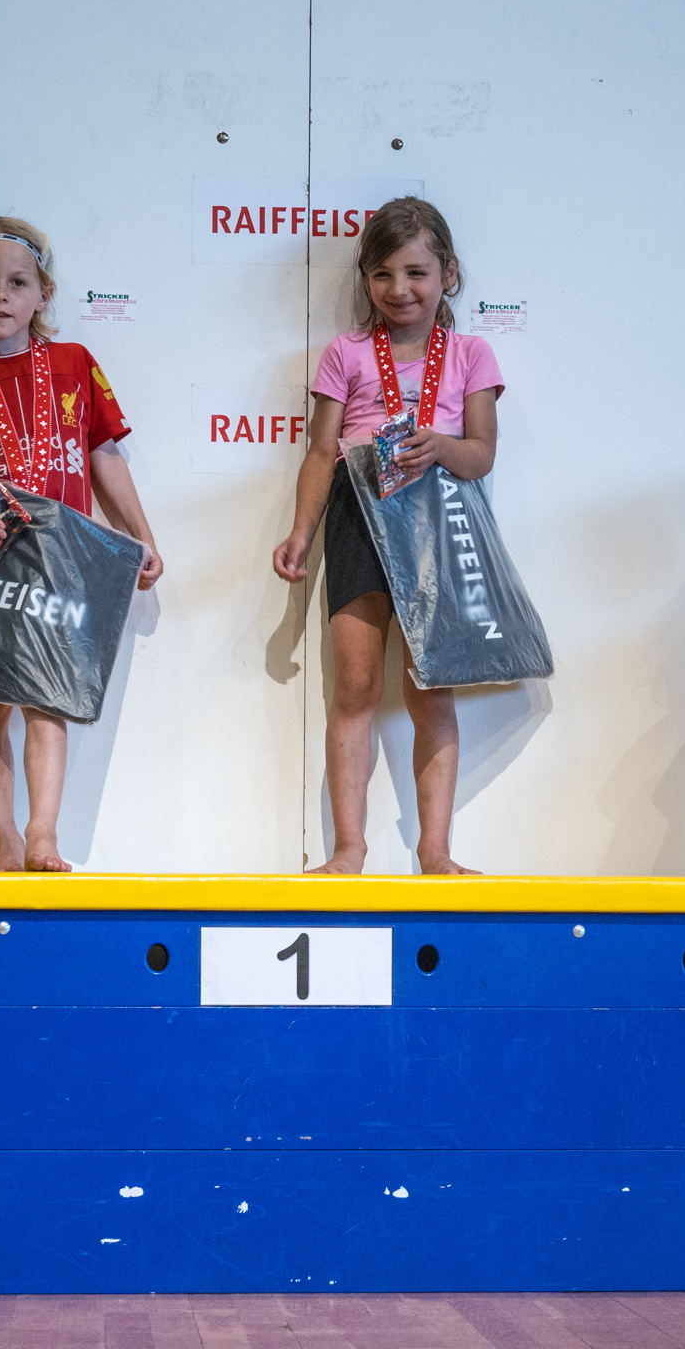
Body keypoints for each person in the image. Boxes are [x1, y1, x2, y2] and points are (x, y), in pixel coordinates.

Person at [0, 216, 164, 871]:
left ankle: (44, 834)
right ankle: (5, 841)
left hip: (60, 559)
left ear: (43, 294)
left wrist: (140, 534)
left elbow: (103, 454)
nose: (1, 295)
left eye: (17, 283)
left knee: (48, 699)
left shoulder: (75, 364)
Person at [270, 197, 503, 875]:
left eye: (416, 272)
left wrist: (442, 447)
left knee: (432, 689)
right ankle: (348, 850)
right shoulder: (345, 353)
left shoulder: (471, 353)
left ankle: (436, 852)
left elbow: (482, 455)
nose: (399, 289)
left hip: (438, 521)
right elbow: (321, 453)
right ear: (366, 279)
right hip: (358, 517)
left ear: (448, 274)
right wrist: (301, 532)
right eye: (382, 274)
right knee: (356, 687)